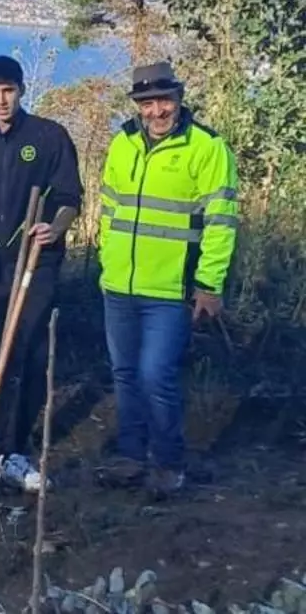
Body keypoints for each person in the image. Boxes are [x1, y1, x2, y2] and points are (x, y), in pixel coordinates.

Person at [95, 62, 237, 498]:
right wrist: (106, 257)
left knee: (156, 375)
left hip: (171, 289)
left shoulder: (207, 146)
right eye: (148, 103)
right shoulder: (122, 142)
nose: (157, 111)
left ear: (179, 99)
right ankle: (131, 457)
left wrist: (209, 284)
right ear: (137, 105)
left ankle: (168, 464)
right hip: (119, 285)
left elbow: (221, 221)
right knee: (124, 373)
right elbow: (108, 206)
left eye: (165, 101)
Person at [0, 56, 82, 494]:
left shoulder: (49, 136)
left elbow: (70, 198)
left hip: (36, 261)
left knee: (29, 353)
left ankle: (15, 447)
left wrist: (55, 227)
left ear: (20, 90)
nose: (1, 100)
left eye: (8, 90)